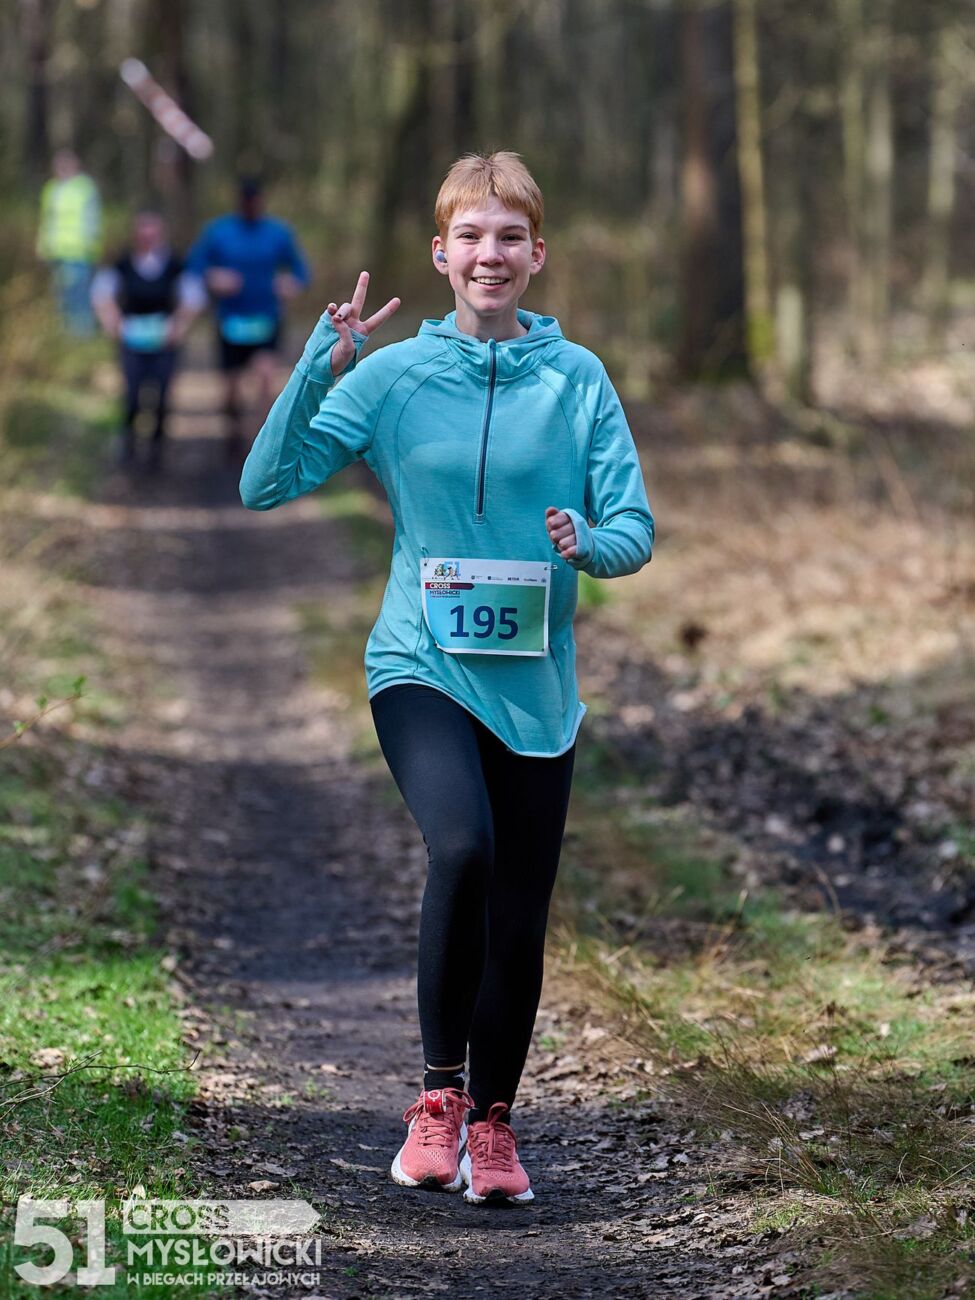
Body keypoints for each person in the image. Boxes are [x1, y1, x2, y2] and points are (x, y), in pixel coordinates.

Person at [240, 152, 654, 1205]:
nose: (489, 254)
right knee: (463, 846)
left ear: (537, 254)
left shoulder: (578, 380)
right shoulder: (392, 377)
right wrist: (320, 365)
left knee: (519, 910)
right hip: (419, 664)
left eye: (510, 236)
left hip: (536, 689)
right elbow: (265, 483)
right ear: (440, 254)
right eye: (471, 236)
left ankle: (494, 1126)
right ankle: (437, 1100)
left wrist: (589, 544)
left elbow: (635, 527)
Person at [188, 177, 310, 460]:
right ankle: (233, 432)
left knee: (266, 378)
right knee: (231, 388)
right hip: (231, 320)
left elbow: (301, 271)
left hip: (266, 318)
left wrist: (290, 283)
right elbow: (194, 266)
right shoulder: (218, 232)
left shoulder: (278, 233)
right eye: (246, 203)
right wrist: (214, 278)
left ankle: (261, 443)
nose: (251, 207)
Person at [91, 211, 205, 470]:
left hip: (164, 341)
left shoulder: (175, 265)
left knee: (162, 396)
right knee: (132, 396)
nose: (148, 240)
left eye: (153, 234)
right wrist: (113, 321)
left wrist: (179, 325)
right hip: (132, 340)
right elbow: (101, 294)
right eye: (144, 235)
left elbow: (194, 297)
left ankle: (156, 450)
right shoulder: (122, 264)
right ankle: (129, 444)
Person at [36, 149, 102, 336]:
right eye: (59, 165)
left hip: (78, 252)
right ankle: (65, 336)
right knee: (60, 296)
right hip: (55, 251)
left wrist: (92, 248)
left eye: (66, 164)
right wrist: (41, 247)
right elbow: (46, 221)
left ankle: (82, 335)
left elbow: (93, 221)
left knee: (78, 296)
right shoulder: (51, 189)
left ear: (75, 165)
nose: (62, 168)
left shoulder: (84, 187)